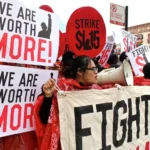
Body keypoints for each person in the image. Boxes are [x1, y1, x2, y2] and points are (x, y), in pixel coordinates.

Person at [34, 55, 115, 150]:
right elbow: (45, 119)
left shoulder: (96, 90)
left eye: (96, 69)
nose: (96, 72)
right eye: (93, 69)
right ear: (80, 72)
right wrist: (48, 97)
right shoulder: (63, 90)